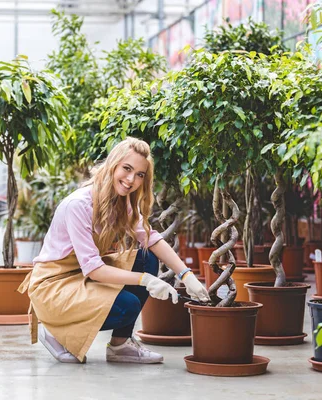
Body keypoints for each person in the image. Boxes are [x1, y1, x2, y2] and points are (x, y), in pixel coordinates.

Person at [19, 137, 210, 364]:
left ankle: (120, 346)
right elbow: (93, 268)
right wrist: (146, 280)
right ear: (113, 165)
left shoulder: (122, 202)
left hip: (80, 277)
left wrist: (186, 275)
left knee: (145, 258)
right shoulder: (79, 205)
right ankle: (55, 330)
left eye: (140, 175)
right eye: (127, 169)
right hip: (54, 286)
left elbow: (151, 238)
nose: (131, 180)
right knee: (127, 307)